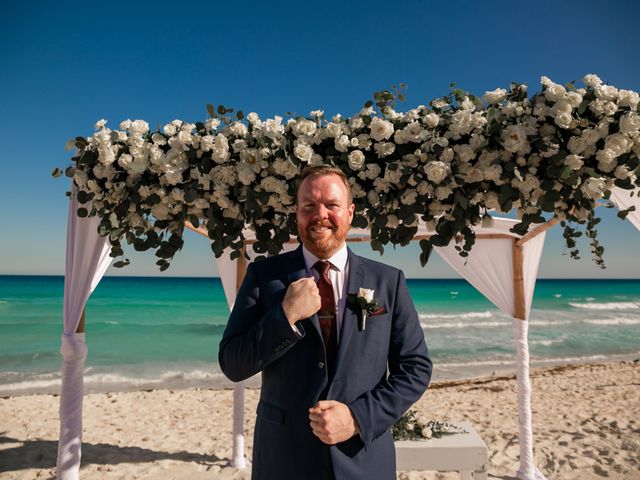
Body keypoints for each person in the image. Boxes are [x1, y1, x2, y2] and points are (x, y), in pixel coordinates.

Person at [219, 165, 432, 479]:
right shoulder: (264, 277)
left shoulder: (388, 281)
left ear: (349, 212)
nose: (320, 214)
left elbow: (415, 367)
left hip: (362, 459)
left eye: (331, 205)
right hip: (284, 459)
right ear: (297, 213)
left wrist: (357, 417)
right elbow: (233, 363)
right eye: (309, 206)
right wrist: (285, 315)